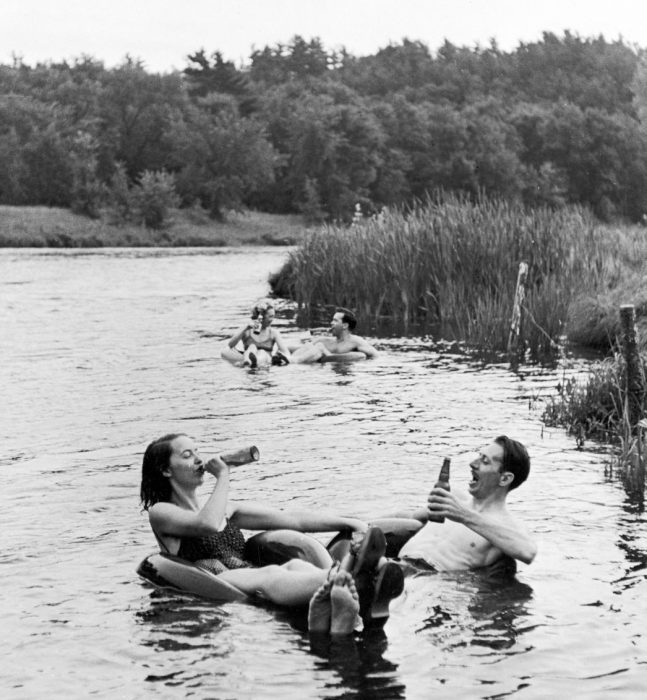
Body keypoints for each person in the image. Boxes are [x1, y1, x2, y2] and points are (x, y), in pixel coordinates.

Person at [140, 432, 395, 631]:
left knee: (295, 566)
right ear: (166, 470)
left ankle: (346, 582)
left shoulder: (227, 509)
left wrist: (350, 523)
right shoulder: (161, 511)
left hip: (248, 572)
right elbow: (205, 523)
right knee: (270, 573)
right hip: (216, 579)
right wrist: (223, 476)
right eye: (186, 455)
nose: (198, 459)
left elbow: (291, 520)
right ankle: (352, 577)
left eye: (197, 451)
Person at [393, 436, 537, 572]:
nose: (473, 464)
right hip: (399, 562)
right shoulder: (453, 498)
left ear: (504, 479)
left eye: (485, 461)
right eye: (479, 456)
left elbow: (528, 552)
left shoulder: (505, 525)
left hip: (428, 578)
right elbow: (411, 516)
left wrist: (463, 514)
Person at [291, 308, 379, 364]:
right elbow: (300, 349)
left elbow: (375, 356)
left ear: (345, 325)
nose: (331, 323)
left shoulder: (356, 342)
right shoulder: (323, 340)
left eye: (335, 321)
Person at [223, 300, 291, 367]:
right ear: (261, 317)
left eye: (273, 316)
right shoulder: (247, 330)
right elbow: (230, 346)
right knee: (251, 347)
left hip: (265, 362)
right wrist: (245, 329)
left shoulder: (273, 333)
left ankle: (252, 361)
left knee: (262, 352)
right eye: (270, 316)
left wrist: (281, 358)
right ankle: (249, 360)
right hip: (248, 358)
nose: (272, 319)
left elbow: (285, 351)